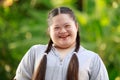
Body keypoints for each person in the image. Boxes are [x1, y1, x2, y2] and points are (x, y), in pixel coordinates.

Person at [14, 6, 109, 80]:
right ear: (49, 31)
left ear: (76, 26)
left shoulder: (92, 58)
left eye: (67, 26)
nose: (63, 31)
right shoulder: (35, 52)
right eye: (56, 28)